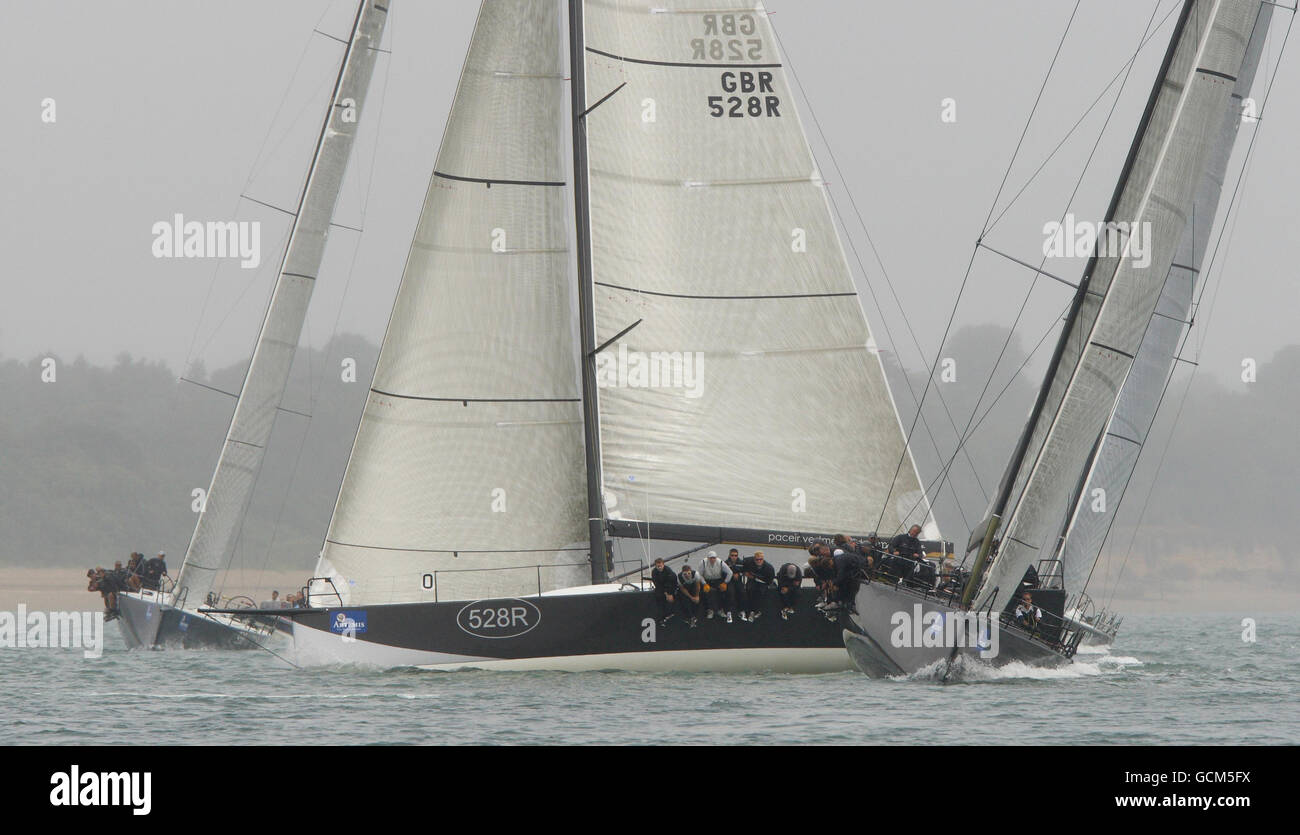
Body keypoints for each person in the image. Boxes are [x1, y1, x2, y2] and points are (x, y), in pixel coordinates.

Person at [698, 551, 734, 622]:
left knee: (722, 592)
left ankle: (720, 610)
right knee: (706, 592)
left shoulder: (720, 562)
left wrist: (725, 582)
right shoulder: (703, 562)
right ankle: (709, 610)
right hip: (707, 581)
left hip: (718, 580)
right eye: (711, 558)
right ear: (708, 558)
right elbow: (699, 574)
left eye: (714, 558)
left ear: (716, 558)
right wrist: (704, 583)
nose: (712, 560)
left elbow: (730, 572)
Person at [739, 551, 775, 621]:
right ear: (754, 559)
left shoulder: (769, 568)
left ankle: (756, 611)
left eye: (760, 559)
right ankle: (747, 610)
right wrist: (746, 573)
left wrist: (758, 579)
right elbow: (743, 569)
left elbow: (770, 580)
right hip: (752, 580)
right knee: (748, 589)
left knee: (760, 592)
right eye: (757, 559)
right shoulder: (748, 562)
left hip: (763, 582)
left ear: (763, 559)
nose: (759, 561)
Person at [649, 558, 679, 626]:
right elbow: (657, 583)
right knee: (659, 597)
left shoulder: (668, 571)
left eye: (660, 566)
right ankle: (661, 618)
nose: (659, 567)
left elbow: (671, 583)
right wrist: (666, 593)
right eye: (657, 566)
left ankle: (671, 613)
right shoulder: (654, 572)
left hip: (671, 586)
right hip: (661, 588)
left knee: (672, 598)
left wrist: (670, 593)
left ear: (663, 564)